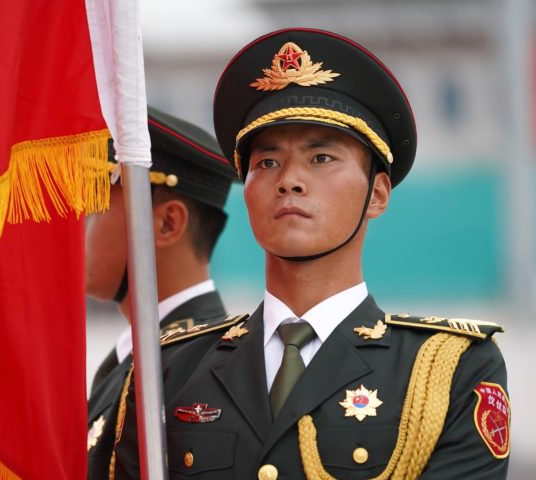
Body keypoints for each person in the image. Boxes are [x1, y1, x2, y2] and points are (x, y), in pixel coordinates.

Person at [112, 29, 509, 479]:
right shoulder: (171, 367)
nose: (289, 181)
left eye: (321, 158)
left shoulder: (447, 369)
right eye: (267, 162)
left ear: (376, 195)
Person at [85, 106, 236, 480]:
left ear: (167, 223)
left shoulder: (202, 368)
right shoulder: (141, 356)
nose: (76, 225)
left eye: (93, 207)